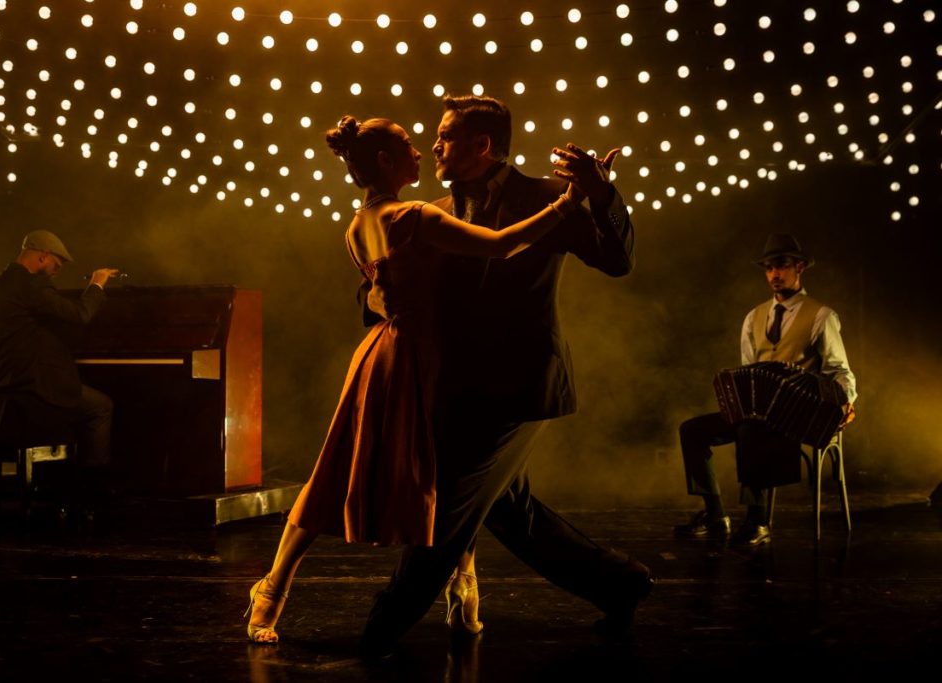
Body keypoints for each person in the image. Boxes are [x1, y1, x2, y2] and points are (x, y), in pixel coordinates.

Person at [243, 115, 591, 644]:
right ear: (384, 161)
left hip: (388, 354)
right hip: (411, 360)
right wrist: (567, 205)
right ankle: (452, 585)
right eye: (408, 144)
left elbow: (384, 292)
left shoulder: (356, 225)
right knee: (429, 476)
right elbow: (500, 245)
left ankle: (275, 589)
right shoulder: (414, 214)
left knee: (419, 474)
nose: (423, 150)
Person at [359, 95, 651, 657]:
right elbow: (402, 293)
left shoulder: (547, 198)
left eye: (444, 135)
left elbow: (618, 262)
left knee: (446, 511)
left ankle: (381, 630)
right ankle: (623, 584)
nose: (435, 145)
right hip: (456, 389)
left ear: (482, 145)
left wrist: (600, 195)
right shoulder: (436, 210)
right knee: (513, 515)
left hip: (520, 385)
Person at [674, 234, 857, 546]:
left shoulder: (821, 316)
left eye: (782, 266)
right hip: (757, 414)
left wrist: (845, 402)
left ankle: (758, 521)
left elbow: (839, 371)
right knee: (692, 430)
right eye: (769, 268)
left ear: (799, 267)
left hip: (797, 416)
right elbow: (748, 370)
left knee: (751, 428)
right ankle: (715, 514)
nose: (774, 274)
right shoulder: (753, 317)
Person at [0, 230, 120, 499]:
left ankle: (57, 483)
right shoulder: (32, 285)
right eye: (57, 264)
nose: (56, 272)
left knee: (77, 402)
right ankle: (91, 489)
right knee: (101, 407)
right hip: (33, 390)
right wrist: (97, 284)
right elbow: (80, 314)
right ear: (43, 256)